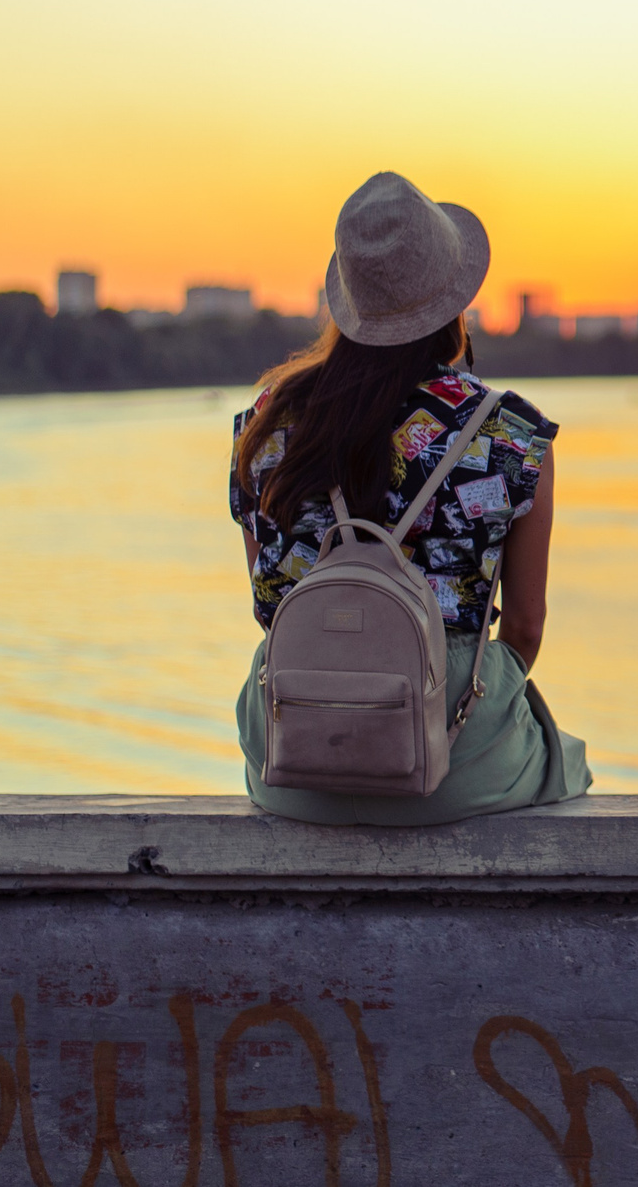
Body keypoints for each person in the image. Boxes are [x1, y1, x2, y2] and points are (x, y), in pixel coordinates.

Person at [226, 171, 587, 825]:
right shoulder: (510, 433)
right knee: (568, 758)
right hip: (453, 765)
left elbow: (271, 605)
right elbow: (525, 631)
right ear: (453, 303)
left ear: (348, 302)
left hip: (294, 756)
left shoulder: (265, 424)